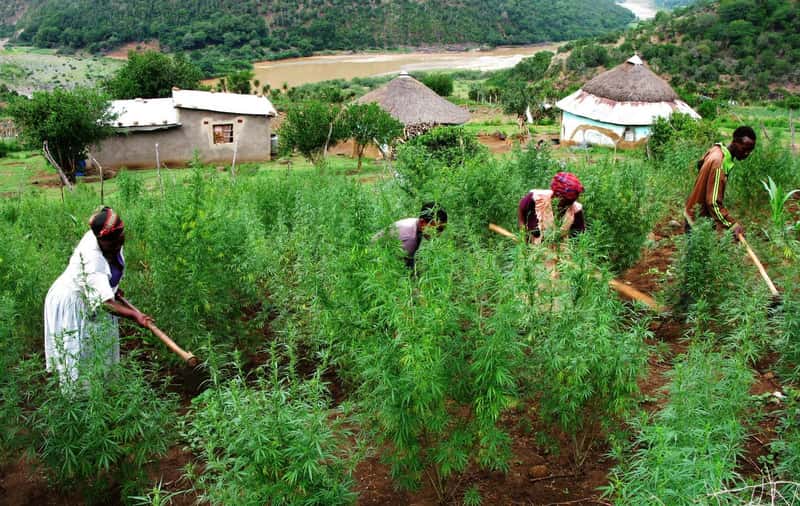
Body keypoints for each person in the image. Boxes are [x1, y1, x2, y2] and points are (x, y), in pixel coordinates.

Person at [44, 207, 153, 384]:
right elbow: (105, 304)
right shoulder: (93, 258)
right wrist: (135, 315)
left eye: (121, 237)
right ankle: (82, 400)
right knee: (82, 355)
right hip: (73, 301)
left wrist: (113, 288)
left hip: (92, 296)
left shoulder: (112, 239)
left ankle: (102, 390)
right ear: (100, 240)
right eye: (113, 241)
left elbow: (110, 271)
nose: (119, 242)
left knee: (101, 349)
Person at [684, 126, 757, 239]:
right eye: (745, 148)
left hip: (694, 211)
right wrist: (732, 224)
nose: (747, 153)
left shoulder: (716, 150)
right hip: (698, 220)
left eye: (750, 151)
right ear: (735, 142)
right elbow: (713, 202)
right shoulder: (719, 164)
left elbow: (700, 163)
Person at [373, 202, 448, 269]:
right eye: (438, 229)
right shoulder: (409, 238)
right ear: (422, 223)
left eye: (442, 229)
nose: (439, 234)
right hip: (373, 258)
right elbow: (399, 269)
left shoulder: (416, 224)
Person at [518, 172, 585, 244]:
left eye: (573, 200)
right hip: (534, 247)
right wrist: (523, 234)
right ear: (556, 195)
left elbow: (578, 235)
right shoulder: (537, 198)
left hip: (560, 250)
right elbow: (522, 208)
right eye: (567, 200)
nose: (570, 203)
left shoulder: (576, 210)